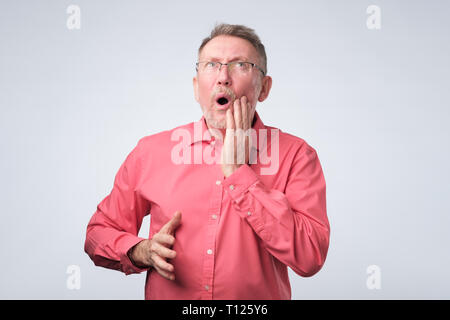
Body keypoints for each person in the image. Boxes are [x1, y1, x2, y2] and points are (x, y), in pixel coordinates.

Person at [84, 23, 330, 300]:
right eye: (211, 65)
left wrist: (239, 175)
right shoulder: (150, 152)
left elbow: (310, 256)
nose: (223, 77)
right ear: (196, 87)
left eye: (241, 65)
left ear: (264, 88)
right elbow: (98, 234)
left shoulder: (297, 155)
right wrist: (141, 251)